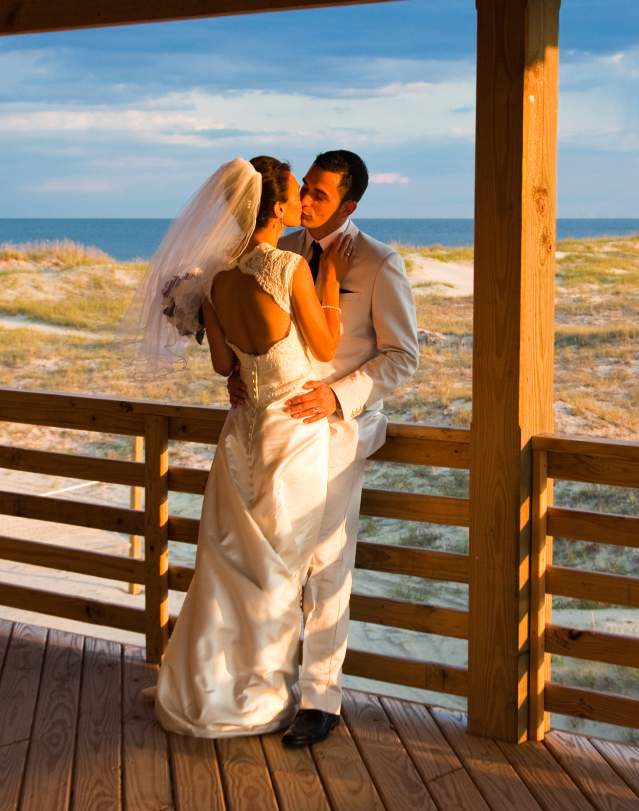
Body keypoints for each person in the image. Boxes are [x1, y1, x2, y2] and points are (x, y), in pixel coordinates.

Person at [135, 155, 354, 737]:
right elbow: (327, 347)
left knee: (229, 565)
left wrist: (245, 374)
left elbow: (222, 364)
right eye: (292, 196)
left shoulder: (213, 277)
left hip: (242, 434)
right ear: (278, 208)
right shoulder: (289, 268)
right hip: (294, 433)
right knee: (280, 570)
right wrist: (329, 286)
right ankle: (256, 697)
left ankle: (205, 683)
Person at [228, 149, 419, 746]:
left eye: (320, 195)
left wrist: (337, 398)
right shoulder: (284, 257)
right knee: (275, 558)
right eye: (304, 188)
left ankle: (321, 700)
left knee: (327, 563)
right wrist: (244, 369)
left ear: (351, 205)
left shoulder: (379, 263)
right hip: (281, 431)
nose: (305, 201)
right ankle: (267, 686)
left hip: (338, 433)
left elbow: (402, 356)